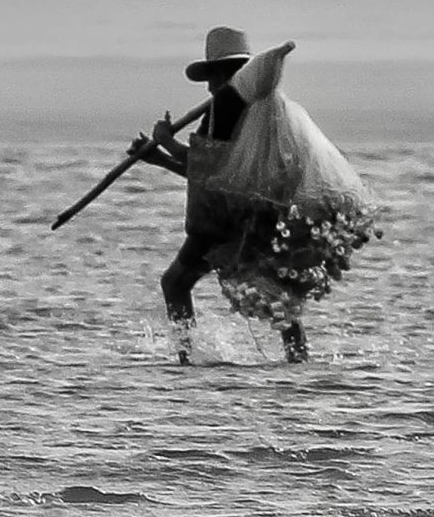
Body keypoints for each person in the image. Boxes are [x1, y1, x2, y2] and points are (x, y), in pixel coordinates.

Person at [129, 26, 310, 364]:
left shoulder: (226, 108)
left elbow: (212, 168)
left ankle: (186, 356)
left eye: (214, 76)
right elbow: (210, 177)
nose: (211, 86)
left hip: (222, 221)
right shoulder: (261, 110)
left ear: (229, 74)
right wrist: (158, 159)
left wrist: (166, 141)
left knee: (176, 283)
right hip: (256, 216)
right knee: (274, 289)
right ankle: (298, 356)